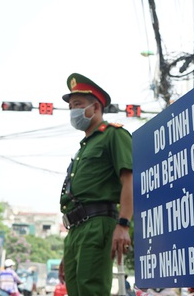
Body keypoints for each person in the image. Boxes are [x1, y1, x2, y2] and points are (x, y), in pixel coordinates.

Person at [57, 73, 133, 296]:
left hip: (98, 224)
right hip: (75, 230)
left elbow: (129, 180)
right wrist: (69, 248)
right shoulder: (83, 148)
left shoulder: (114, 135)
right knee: (76, 290)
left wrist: (123, 224)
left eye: (78, 105)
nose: (73, 111)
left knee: (92, 290)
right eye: (71, 106)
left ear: (96, 106)